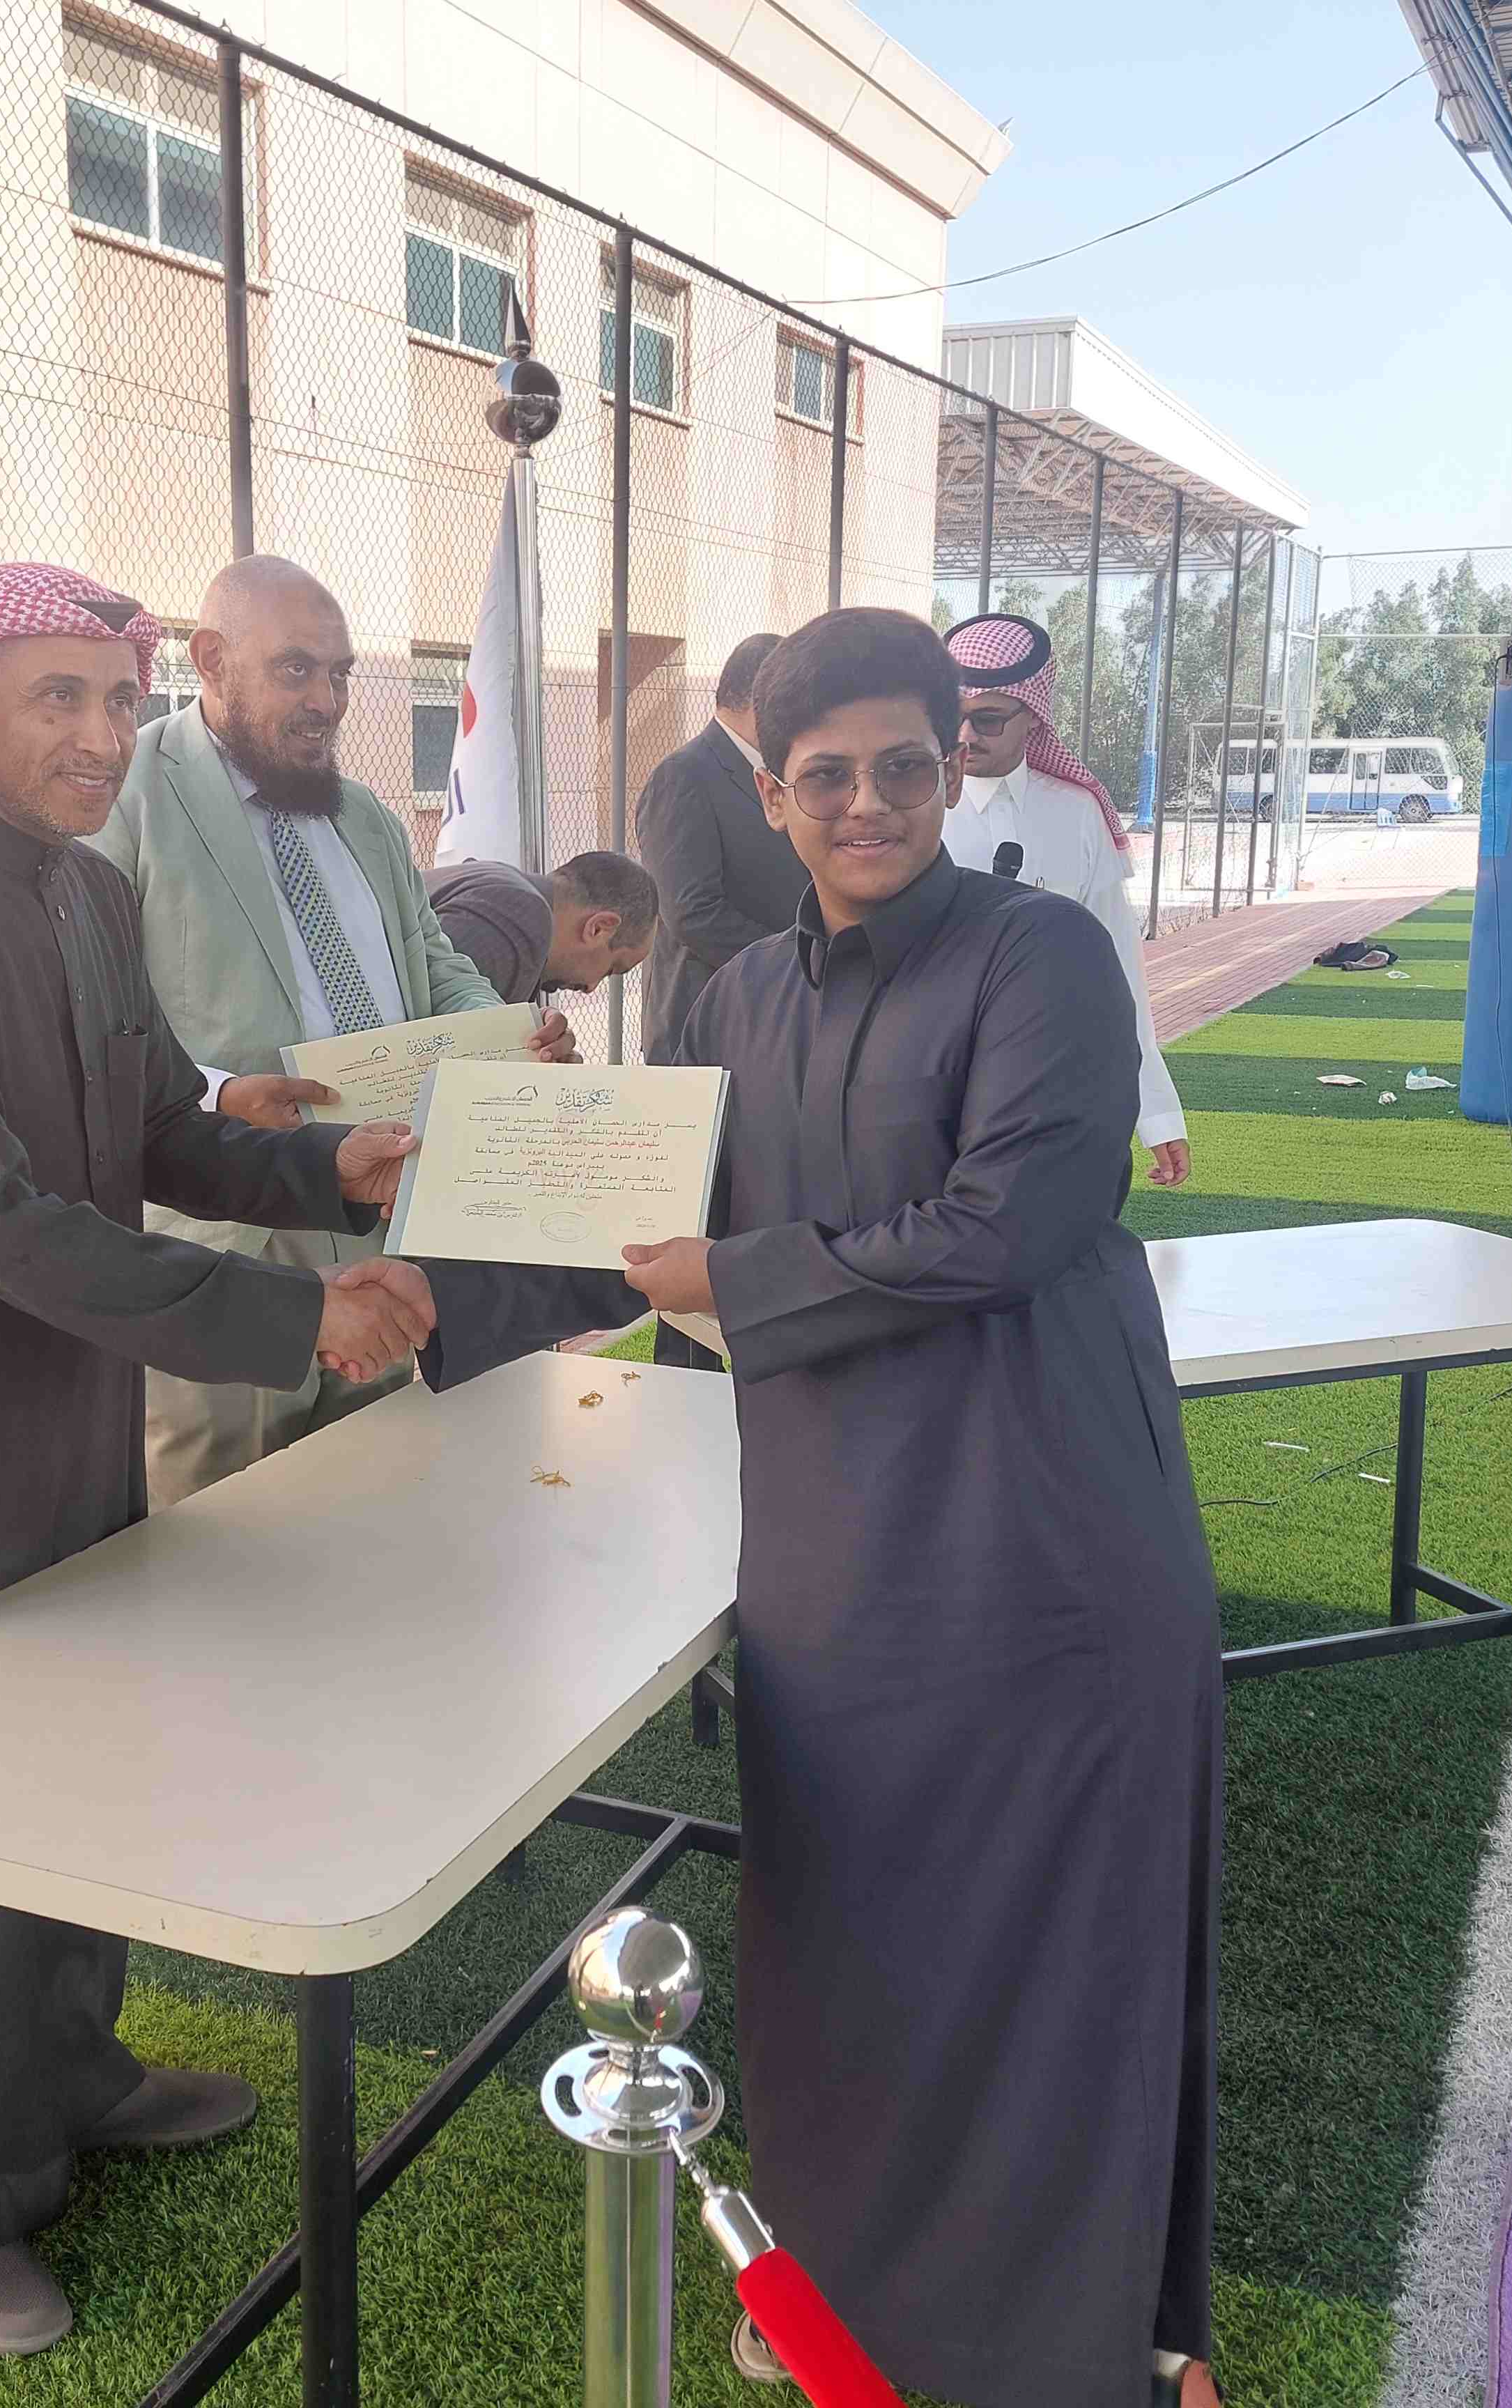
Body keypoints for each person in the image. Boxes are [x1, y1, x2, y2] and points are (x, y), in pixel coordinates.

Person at [403, 608, 1224, 2408]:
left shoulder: (1039, 957)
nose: (871, 804)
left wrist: (734, 1274)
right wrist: (472, 1210)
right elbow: (658, 1229)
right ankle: (837, 2302)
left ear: (951, 771)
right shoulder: (734, 998)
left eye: (904, 768)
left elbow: (1013, 1224)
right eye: (827, 775)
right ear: (768, 794)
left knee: (1044, 1941)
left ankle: (1061, 2346)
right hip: (837, 1537)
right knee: (848, 1922)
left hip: (1038, 1522)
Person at [0, 563, 433, 2358]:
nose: (101, 735)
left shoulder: (89, 893)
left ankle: (65, 2079)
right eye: (57, 697)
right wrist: (295, 1317)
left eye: (120, 700)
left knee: (67, 1752)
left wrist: (323, 1168)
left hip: (61, 1389)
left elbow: (145, 1133)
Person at [86, 554, 577, 1504]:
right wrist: (218, 1094)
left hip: (376, 1206)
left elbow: (433, 964)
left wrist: (507, 1036)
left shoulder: (364, 818)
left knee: (372, 1492)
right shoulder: (126, 798)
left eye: (341, 673)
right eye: (296, 670)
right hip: (225, 1233)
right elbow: (93, 1010)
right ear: (211, 659)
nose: (327, 700)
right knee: (222, 1512)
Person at [942, 613, 1192, 1189]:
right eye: (953, 716)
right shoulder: (913, 807)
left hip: (1052, 1082)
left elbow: (1119, 968)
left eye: (987, 719)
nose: (965, 736)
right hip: (934, 1086)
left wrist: (1156, 1111)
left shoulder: (1077, 813)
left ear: (1033, 715)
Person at [637, 630, 799, 1370]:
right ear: (758, 699)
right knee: (696, 1225)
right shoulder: (685, 776)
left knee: (758, 1213)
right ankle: (684, 1384)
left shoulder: (780, 773)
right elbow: (691, 912)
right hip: (700, 1039)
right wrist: (803, 959)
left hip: (775, 1030)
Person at [422, 848, 658, 1005]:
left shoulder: (504, 890)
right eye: (611, 969)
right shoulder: (519, 918)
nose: (591, 987)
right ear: (599, 928)